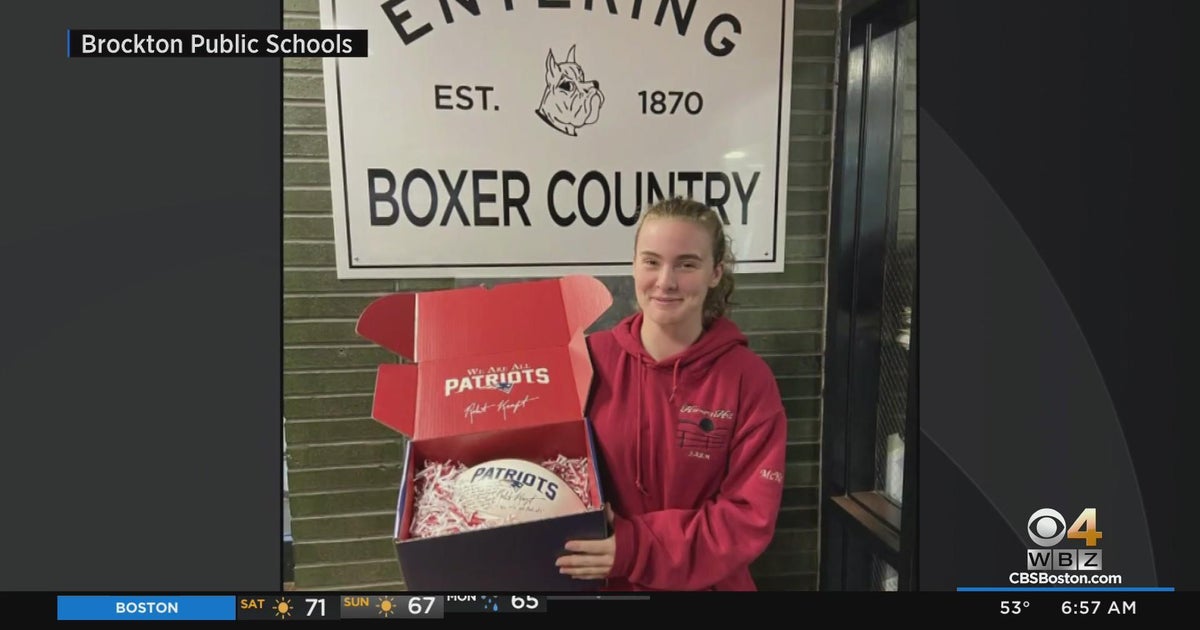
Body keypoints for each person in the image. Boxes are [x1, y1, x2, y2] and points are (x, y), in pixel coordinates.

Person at [555, 197, 788, 591]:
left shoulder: (749, 380)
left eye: (687, 264)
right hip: (603, 587)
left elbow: (749, 516)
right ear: (633, 266)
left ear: (715, 273)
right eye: (651, 261)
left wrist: (635, 548)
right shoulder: (587, 362)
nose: (665, 281)